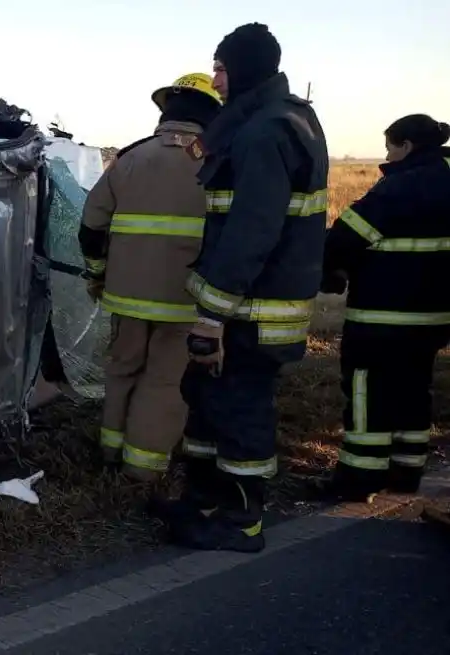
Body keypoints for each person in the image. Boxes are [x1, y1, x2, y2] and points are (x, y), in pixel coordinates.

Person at [153, 23, 330, 553]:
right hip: (246, 304)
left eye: (222, 67)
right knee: (205, 397)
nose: (215, 79)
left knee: (238, 408)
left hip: (250, 311)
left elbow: (251, 231)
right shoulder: (279, 120)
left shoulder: (266, 132)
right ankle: (203, 500)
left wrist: (213, 317)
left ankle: (240, 521)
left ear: (247, 68)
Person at [78, 73, 223, 482]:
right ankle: (141, 470)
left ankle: (110, 449)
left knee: (122, 368)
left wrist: (97, 276)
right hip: (183, 300)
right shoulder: (218, 161)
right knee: (164, 380)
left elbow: (91, 227)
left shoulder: (130, 158)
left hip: (124, 297)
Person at [316, 114, 450, 502]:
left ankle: (359, 479)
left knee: (367, 396)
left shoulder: (400, 187)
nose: (387, 154)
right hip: (435, 320)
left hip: (382, 315)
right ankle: (406, 472)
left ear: (406, 146)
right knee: (413, 390)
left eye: (390, 145)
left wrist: (332, 268)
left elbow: (345, 237)